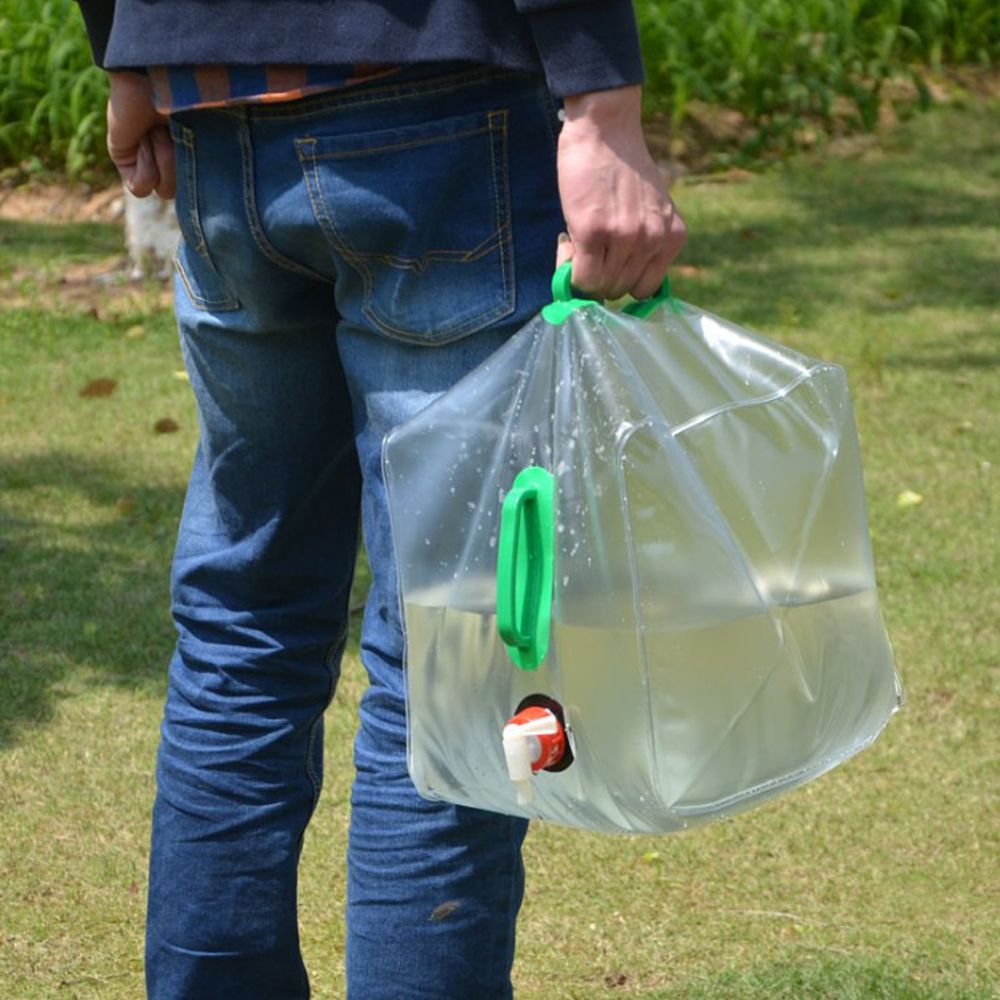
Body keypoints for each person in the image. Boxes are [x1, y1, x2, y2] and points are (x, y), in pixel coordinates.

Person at [76, 2, 686, 996]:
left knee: (245, 616)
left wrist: (130, 47)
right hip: (432, 102)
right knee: (447, 650)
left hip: (217, 104)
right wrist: (601, 98)